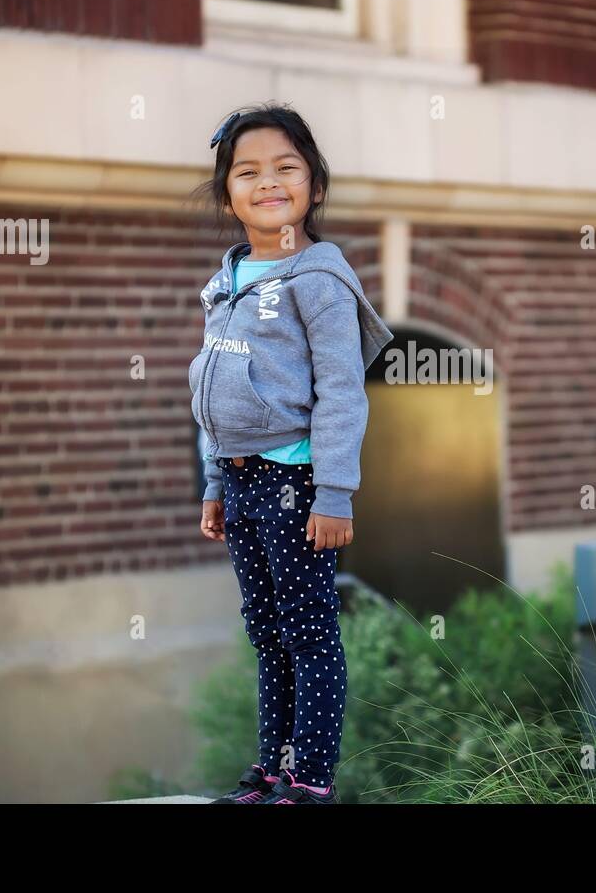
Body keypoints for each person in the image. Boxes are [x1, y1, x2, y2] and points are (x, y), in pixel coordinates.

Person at [187, 103, 393, 804]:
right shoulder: (225, 283)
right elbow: (215, 391)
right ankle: (271, 771)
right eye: (248, 171)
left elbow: (341, 391)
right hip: (242, 484)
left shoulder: (319, 279)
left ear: (315, 185)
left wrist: (335, 492)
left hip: (296, 481)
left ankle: (310, 782)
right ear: (227, 194)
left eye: (286, 167)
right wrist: (214, 482)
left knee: (309, 635)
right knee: (268, 635)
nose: (267, 182)